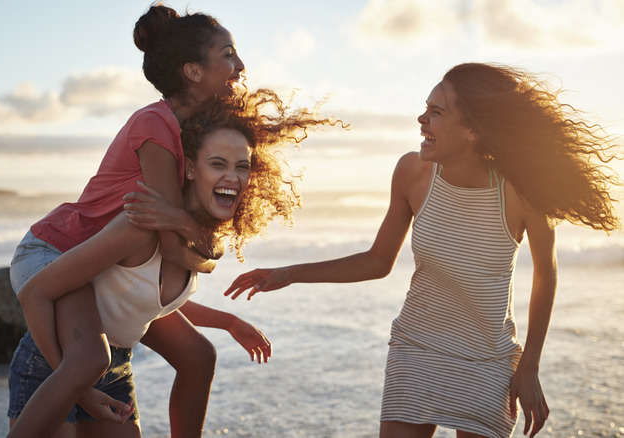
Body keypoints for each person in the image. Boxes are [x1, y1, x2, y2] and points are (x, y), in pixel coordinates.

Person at [224, 62, 621, 438]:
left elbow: (546, 275)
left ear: (473, 130)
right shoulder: (412, 173)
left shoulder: (521, 192)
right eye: (424, 109)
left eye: (436, 112)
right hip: (416, 348)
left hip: (488, 360)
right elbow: (378, 261)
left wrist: (530, 364)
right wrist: (290, 273)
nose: (421, 120)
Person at [9, 89, 338, 437]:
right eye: (218, 164)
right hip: (56, 364)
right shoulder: (143, 225)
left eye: (242, 166)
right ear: (192, 168)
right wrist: (79, 387)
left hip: (115, 368)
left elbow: (145, 300)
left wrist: (228, 322)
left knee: (201, 355)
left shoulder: (197, 240)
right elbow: (36, 293)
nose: (233, 177)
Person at [6, 4, 248, 437]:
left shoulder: (193, 133)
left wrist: (199, 242)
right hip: (55, 249)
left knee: (197, 355)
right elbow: (174, 249)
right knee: (89, 361)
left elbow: (183, 256)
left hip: (96, 261)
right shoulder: (156, 126)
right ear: (193, 72)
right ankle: (78, 385)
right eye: (228, 55)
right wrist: (188, 231)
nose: (240, 65)